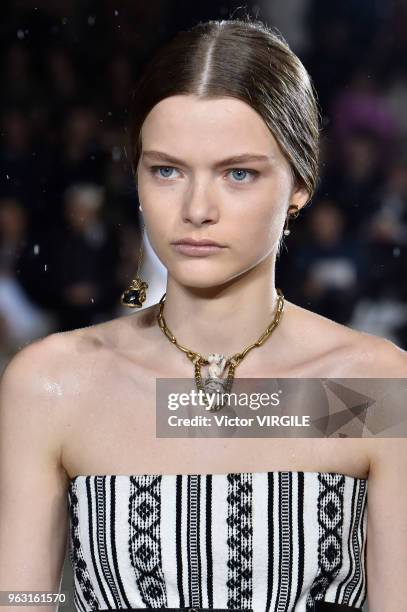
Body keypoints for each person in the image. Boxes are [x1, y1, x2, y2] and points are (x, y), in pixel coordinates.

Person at [0, 16, 406, 612]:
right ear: (135, 175)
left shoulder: (368, 389)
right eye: (167, 170)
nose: (196, 209)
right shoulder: (54, 386)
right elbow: (21, 601)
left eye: (237, 173)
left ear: (300, 183)